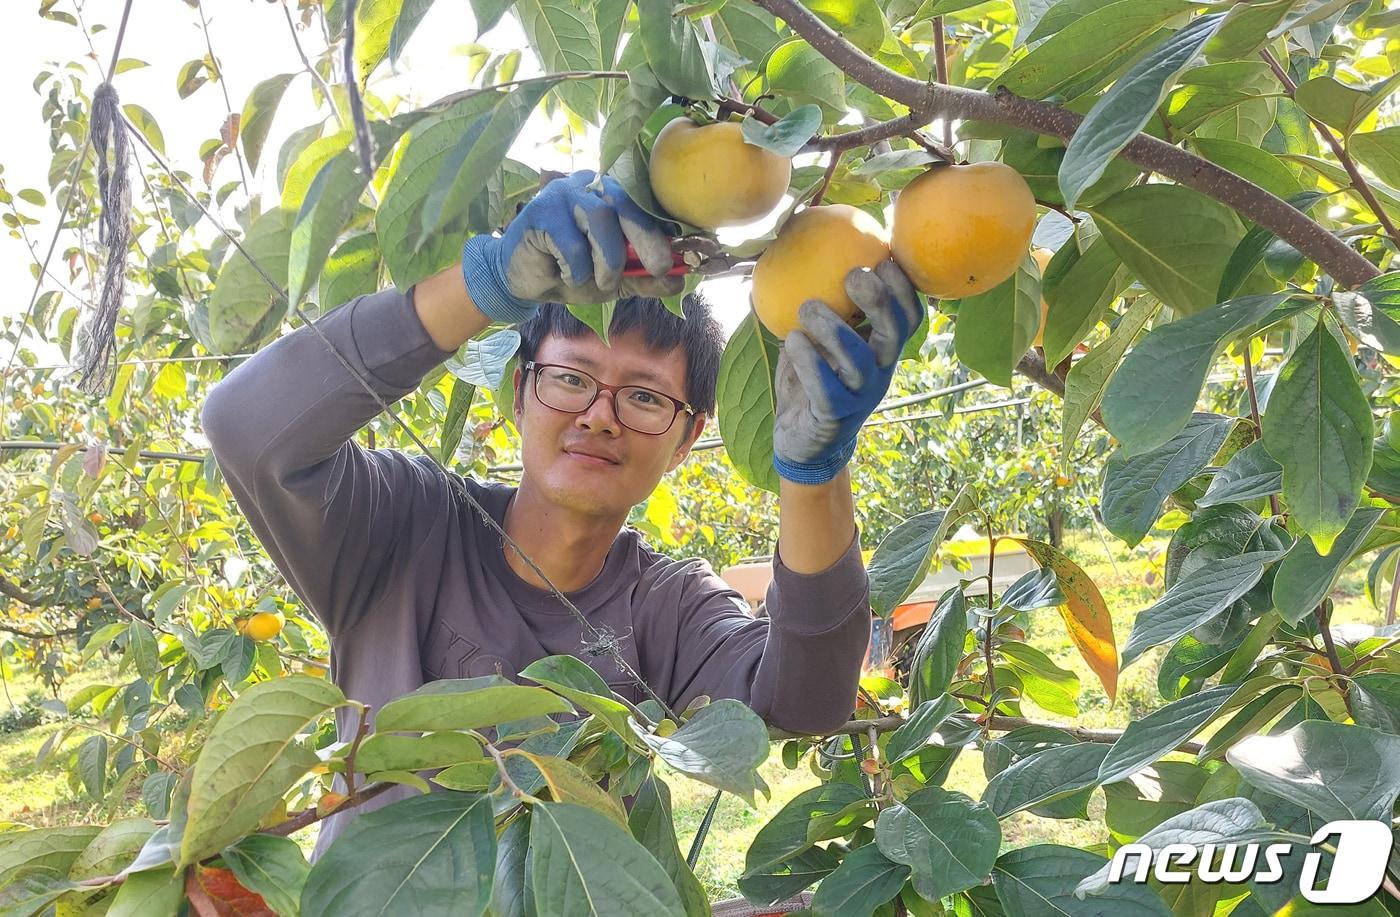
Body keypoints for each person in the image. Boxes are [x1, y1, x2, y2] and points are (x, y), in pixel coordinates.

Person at [200, 170, 924, 856]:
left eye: (644, 397)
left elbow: (805, 697)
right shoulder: (403, 525)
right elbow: (246, 426)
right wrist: (483, 285)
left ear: (686, 438)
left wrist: (814, 472)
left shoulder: (665, 603)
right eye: (571, 377)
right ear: (519, 392)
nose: (599, 417)